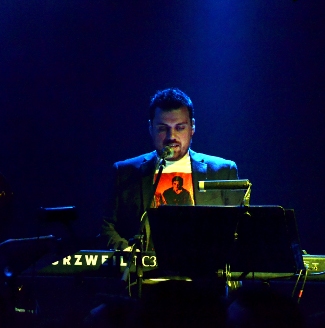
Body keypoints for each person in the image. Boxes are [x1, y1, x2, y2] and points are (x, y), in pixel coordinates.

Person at [102, 88, 240, 250]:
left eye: (180, 127)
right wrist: (129, 252)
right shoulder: (125, 172)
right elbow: (105, 227)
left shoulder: (223, 171)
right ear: (151, 128)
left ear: (192, 127)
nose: (171, 136)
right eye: (162, 128)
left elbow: (239, 229)